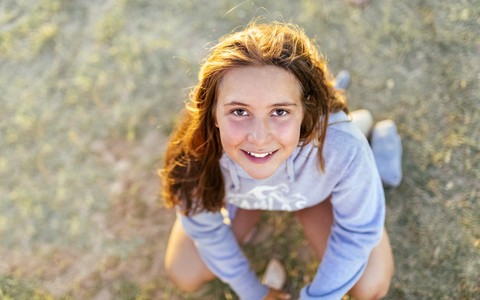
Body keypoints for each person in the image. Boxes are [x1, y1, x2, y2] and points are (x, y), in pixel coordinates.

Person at [161, 22, 395, 300]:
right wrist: (254, 292)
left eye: (280, 111)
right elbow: (205, 231)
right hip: (246, 197)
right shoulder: (199, 147)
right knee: (184, 271)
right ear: (213, 113)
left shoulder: (341, 147)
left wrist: (318, 297)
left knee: (370, 286)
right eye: (239, 111)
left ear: (305, 108)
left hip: (315, 192)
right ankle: (354, 126)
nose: (259, 138)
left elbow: (357, 232)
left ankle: (368, 141)